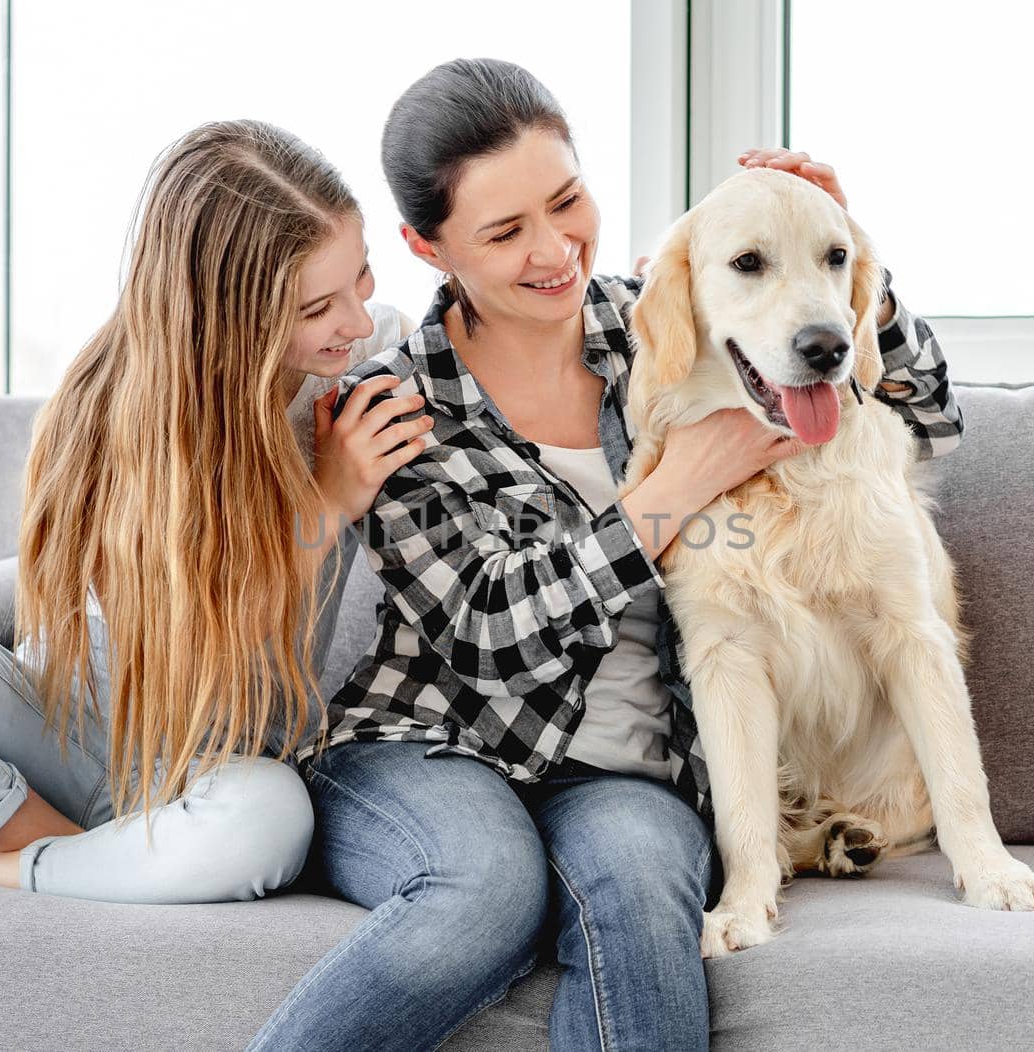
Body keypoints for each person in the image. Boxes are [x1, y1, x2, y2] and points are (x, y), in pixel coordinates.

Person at [248, 59, 965, 1051]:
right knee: (486, 887)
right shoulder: (393, 399)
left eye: (566, 200)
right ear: (428, 245)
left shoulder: (663, 322)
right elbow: (489, 638)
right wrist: (667, 493)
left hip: (629, 767)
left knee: (637, 894)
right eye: (504, 232)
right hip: (428, 746)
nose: (554, 250)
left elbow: (927, 413)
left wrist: (835, 260)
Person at [0, 119, 433, 904]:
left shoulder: (366, 355)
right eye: (316, 307)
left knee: (271, 822)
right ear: (226, 317)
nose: (357, 320)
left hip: (219, 767)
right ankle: (42, 850)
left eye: (361, 277)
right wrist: (328, 503)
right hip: (68, 734)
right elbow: (199, 670)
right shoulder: (112, 413)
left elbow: (494, 382)